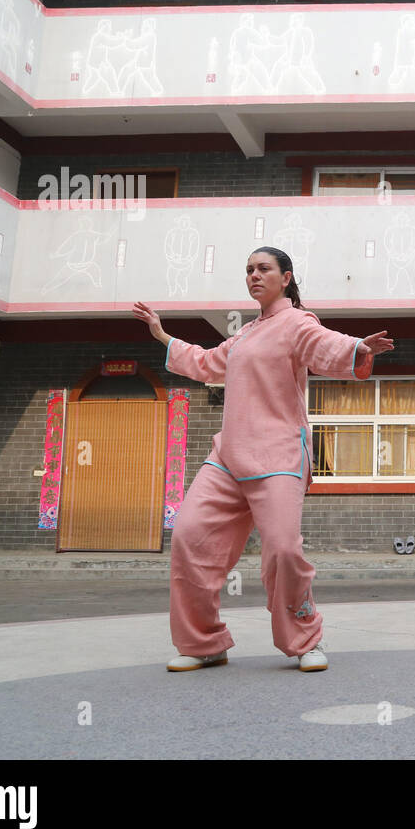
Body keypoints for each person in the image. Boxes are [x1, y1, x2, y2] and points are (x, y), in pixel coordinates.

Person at [131, 246, 394, 672]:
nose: (254, 275)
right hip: (228, 456)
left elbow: (324, 344)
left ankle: (305, 640)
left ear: (285, 278)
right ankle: (204, 643)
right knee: (189, 537)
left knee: (284, 551)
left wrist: (358, 347)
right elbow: (205, 362)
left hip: (278, 455)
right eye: (249, 269)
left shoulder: (296, 323)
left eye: (264, 268)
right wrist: (162, 335)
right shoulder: (245, 334)